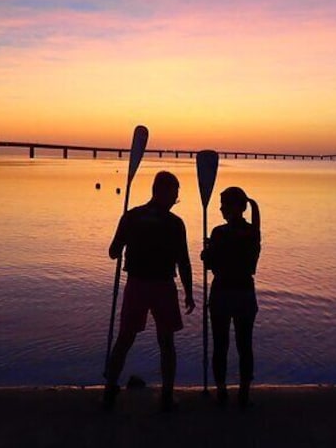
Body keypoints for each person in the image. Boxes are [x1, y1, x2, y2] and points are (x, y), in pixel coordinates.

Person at [103, 171, 196, 412]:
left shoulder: (132, 216)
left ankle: (110, 389)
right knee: (166, 343)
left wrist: (125, 238)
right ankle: (166, 395)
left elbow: (113, 252)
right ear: (163, 191)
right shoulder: (175, 223)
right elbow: (183, 261)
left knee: (125, 339)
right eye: (175, 192)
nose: (177, 197)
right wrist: (188, 292)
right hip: (162, 287)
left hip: (137, 285)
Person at [201, 187, 260, 409]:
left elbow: (211, 265)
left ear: (236, 207)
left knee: (220, 345)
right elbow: (250, 260)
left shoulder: (219, 233)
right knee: (245, 345)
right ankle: (243, 392)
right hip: (244, 292)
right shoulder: (253, 232)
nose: (220, 208)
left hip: (223, 293)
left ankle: (221, 390)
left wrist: (207, 253)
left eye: (224, 203)